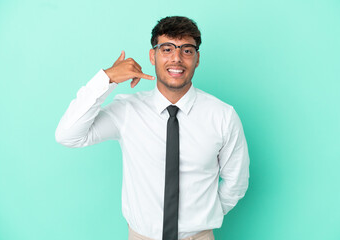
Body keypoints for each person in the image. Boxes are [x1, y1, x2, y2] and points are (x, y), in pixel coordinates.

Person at [55, 16, 250, 240]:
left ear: (197, 59)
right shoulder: (127, 110)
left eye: (187, 50)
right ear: (152, 55)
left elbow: (237, 181)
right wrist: (107, 79)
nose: (176, 58)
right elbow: (68, 135)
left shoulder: (223, 116)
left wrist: (203, 219)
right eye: (166, 49)